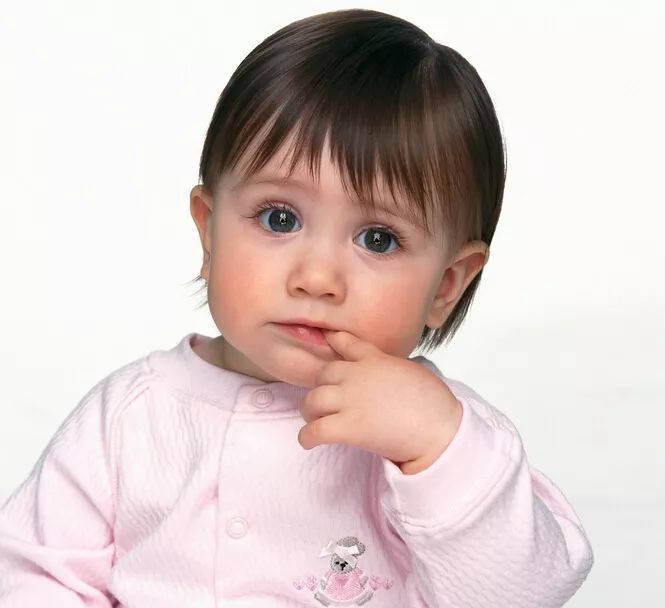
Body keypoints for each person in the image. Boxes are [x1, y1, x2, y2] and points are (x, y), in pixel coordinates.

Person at [0, 8, 594, 607]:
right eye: (279, 219)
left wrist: (439, 450)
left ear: (446, 285)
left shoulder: (442, 439)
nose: (317, 278)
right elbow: (34, 574)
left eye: (378, 239)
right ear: (209, 234)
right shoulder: (131, 418)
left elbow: (523, 592)